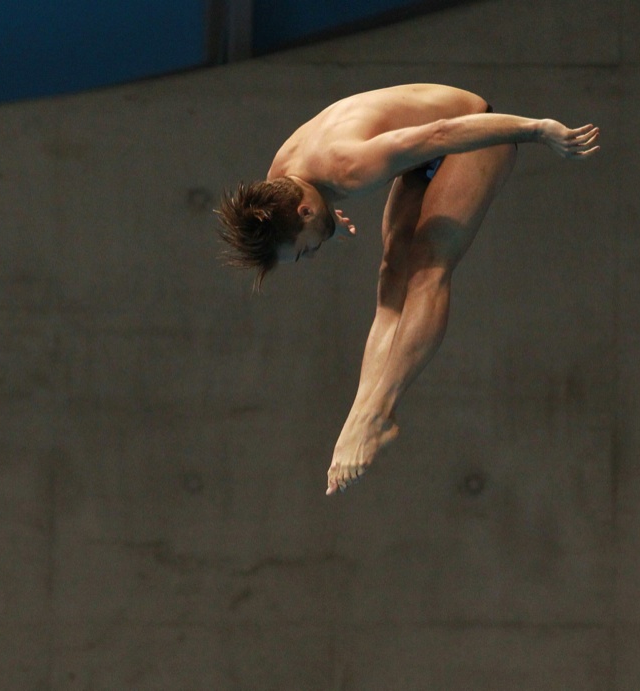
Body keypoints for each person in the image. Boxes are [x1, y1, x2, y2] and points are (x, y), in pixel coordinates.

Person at [216, 84, 599, 496]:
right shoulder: (282, 180)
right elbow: (320, 191)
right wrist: (326, 220)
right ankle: (361, 410)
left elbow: (440, 134)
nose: (312, 255)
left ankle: (375, 414)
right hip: (423, 151)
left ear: (304, 211)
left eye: (306, 249)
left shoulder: (349, 167)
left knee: (427, 265)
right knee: (391, 273)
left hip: (472, 132)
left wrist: (538, 130)